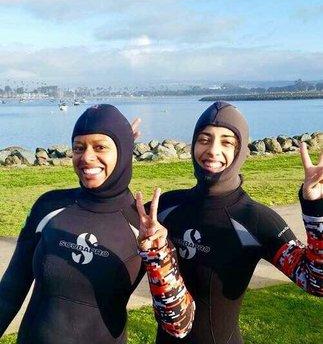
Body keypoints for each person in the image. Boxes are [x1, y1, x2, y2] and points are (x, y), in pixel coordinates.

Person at [0, 104, 194, 343]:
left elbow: (179, 325)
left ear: (122, 151)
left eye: (100, 146)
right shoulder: (49, 206)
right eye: (78, 147)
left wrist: (158, 254)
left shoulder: (142, 224)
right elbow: (9, 291)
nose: (87, 157)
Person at [141, 101, 322, 344]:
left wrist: (315, 207)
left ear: (241, 151)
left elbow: (315, 280)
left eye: (226, 142)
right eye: (204, 139)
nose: (213, 151)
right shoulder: (165, 207)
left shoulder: (255, 219)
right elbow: (108, 208)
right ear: (193, 145)